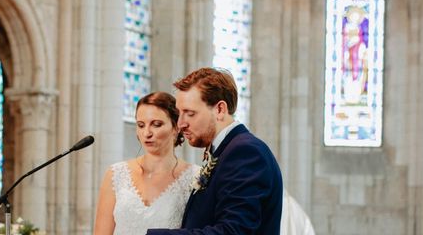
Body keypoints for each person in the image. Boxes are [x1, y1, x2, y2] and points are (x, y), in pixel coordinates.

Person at [147, 67, 283, 234]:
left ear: (220, 109)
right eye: (179, 113)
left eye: (190, 113)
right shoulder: (226, 150)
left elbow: (233, 231)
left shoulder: (246, 152)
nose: (181, 124)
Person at [94, 92, 199, 235]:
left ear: (176, 128)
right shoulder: (116, 174)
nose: (147, 133)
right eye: (141, 125)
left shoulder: (195, 178)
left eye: (156, 124)